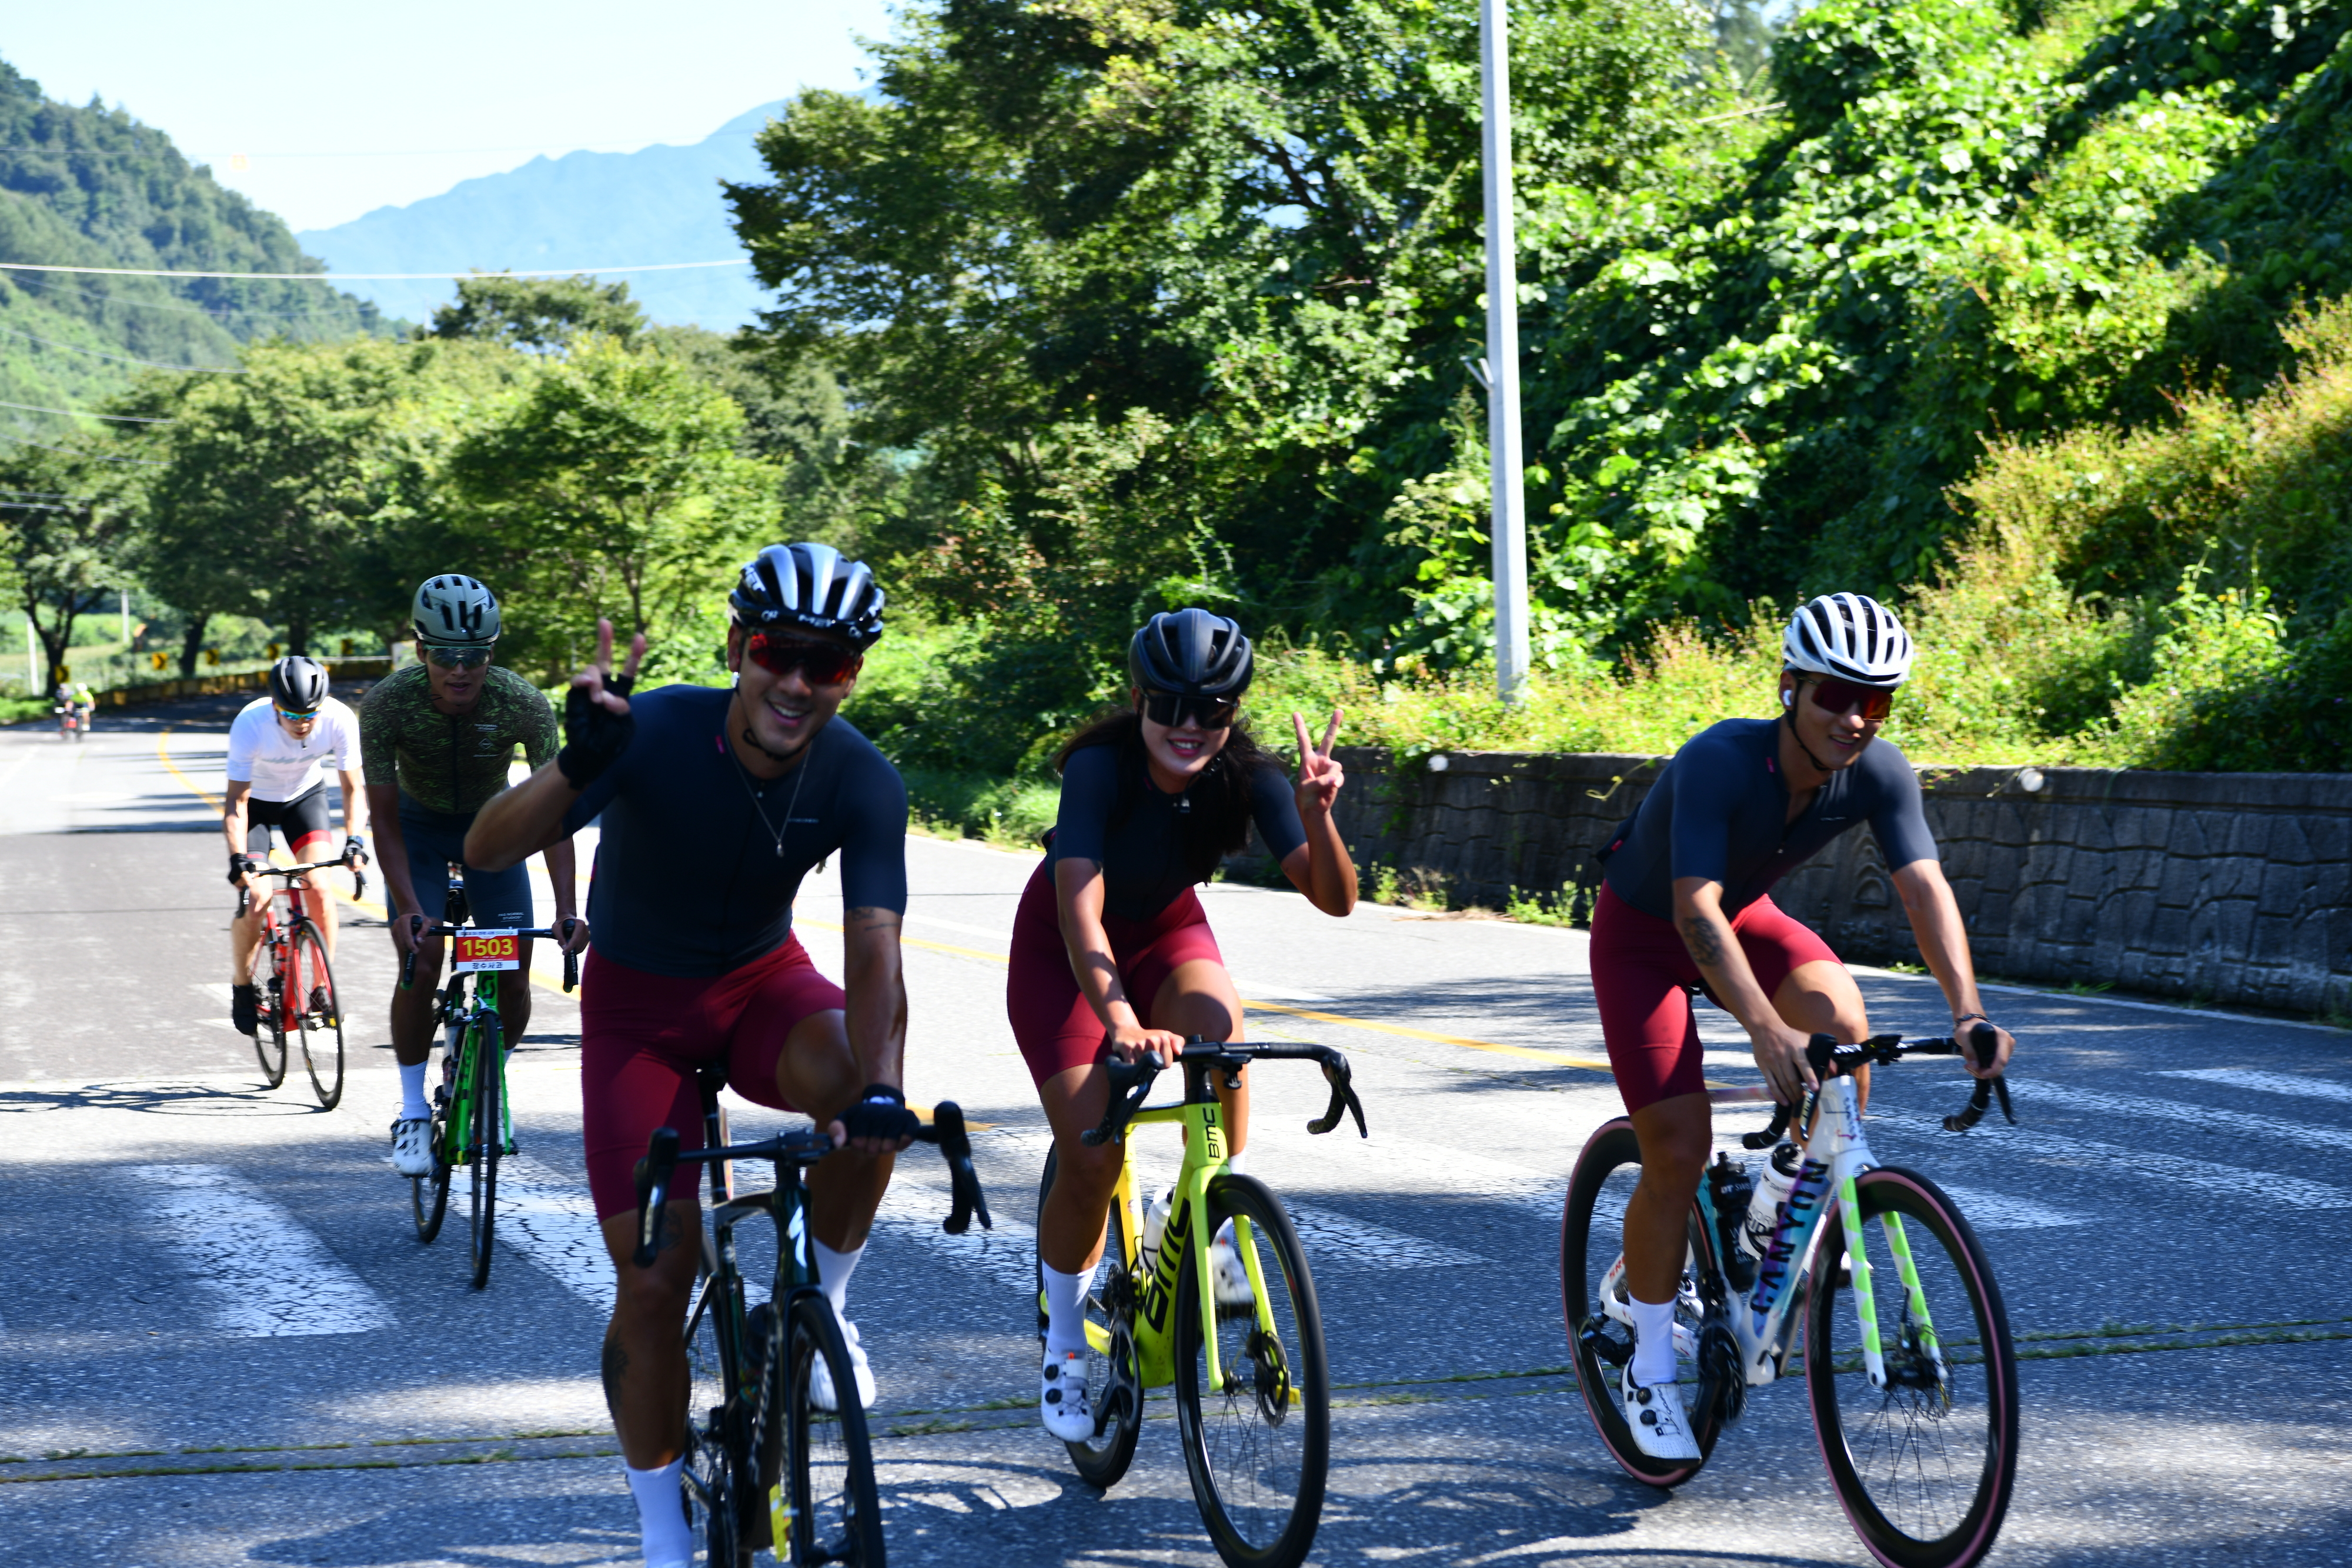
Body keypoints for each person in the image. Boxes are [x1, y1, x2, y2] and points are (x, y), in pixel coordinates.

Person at [464, 542, 921, 1568]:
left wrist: (884, 1091)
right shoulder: (651, 728)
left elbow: (875, 944)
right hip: (640, 1018)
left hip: (763, 989)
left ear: (854, 674)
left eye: (832, 664)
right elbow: (486, 851)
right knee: (658, 1277)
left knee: (869, 1082)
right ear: (737, 646)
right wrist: (578, 764)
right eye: (778, 651)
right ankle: (664, 1532)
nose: (798, 683)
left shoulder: (862, 777)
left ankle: (824, 1311)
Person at [1588, 592, 2017, 1460]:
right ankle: (1649, 1362)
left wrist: (1967, 1012)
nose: (1854, 717)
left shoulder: (1880, 770)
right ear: (1790, 685)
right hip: (1644, 936)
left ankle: (1786, 1187)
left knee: (1841, 1018)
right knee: (1676, 1147)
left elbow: (1923, 887)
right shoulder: (1722, 759)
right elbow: (1694, 908)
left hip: (1747, 920)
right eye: (1833, 693)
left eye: (1877, 700)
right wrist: (1761, 1027)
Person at [1015, 607, 1356, 1442]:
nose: (1190, 725)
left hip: (1167, 931)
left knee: (1222, 1030)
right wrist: (1121, 1019)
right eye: (1170, 704)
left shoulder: (1253, 776)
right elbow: (1081, 913)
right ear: (1138, 697)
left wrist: (1318, 813)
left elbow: (1337, 897)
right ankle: (1065, 1349)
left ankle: (1208, 1210)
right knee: (1092, 1156)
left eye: (1214, 708)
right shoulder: (1100, 768)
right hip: (1067, 950)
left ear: (1234, 712)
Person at [360, 574, 584, 1181]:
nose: (460, 670)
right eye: (445, 655)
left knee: (513, 974)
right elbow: (382, 821)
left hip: (496, 832)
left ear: (493, 652)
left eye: (475, 656)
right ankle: (410, 1111)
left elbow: (554, 817)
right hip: (418, 832)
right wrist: (407, 906)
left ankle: (489, 1078)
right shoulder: (387, 704)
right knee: (423, 957)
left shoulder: (524, 704)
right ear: (420, 650)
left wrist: (568, 908)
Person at [224, 656, 367, 1034]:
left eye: (310, 714)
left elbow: (354, 789)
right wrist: (238, 858)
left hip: (304, 798)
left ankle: (323, 986)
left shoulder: (339, 719)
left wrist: (355, 840)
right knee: (257, 898)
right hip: (255, 804)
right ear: (275, 706)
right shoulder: (250, 724)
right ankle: (241, 984)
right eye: (292, 714)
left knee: (319, 885)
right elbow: (236, 802)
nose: (303, 723)